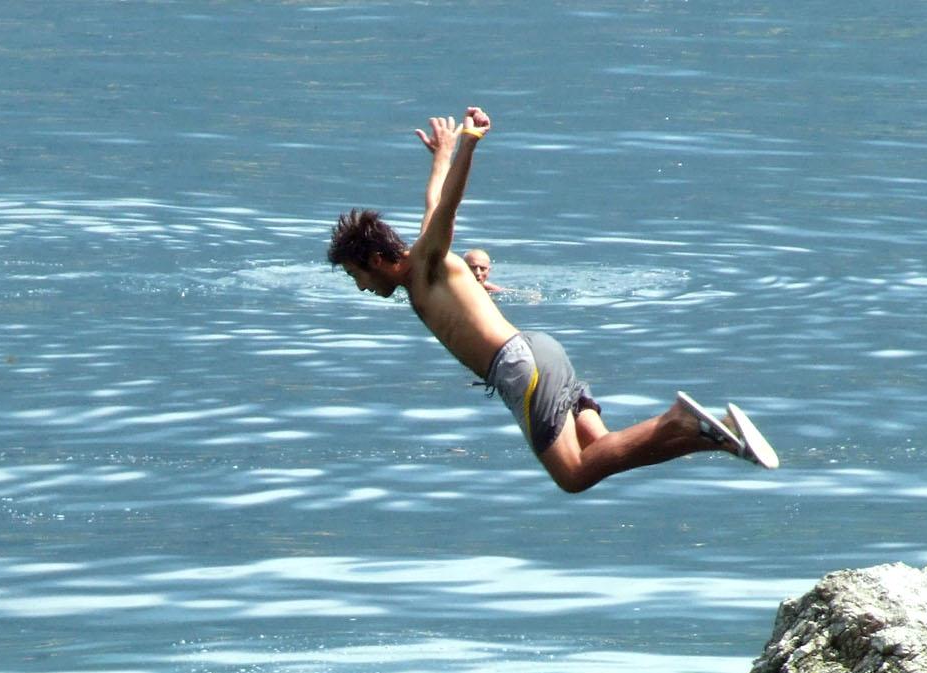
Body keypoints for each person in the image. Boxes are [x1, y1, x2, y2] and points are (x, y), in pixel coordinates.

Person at [328, 105, 777, 492]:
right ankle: (710, 436)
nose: (361, 287)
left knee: (573, 474)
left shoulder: (425, 264)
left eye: (356, 275)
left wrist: (468, 142)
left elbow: (447, 207)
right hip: (541, 352)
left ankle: (679, 421)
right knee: (603, 450)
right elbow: (434, 200)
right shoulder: (420, 267)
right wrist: (443, 153)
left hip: (520, 367)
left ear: (376, 259)